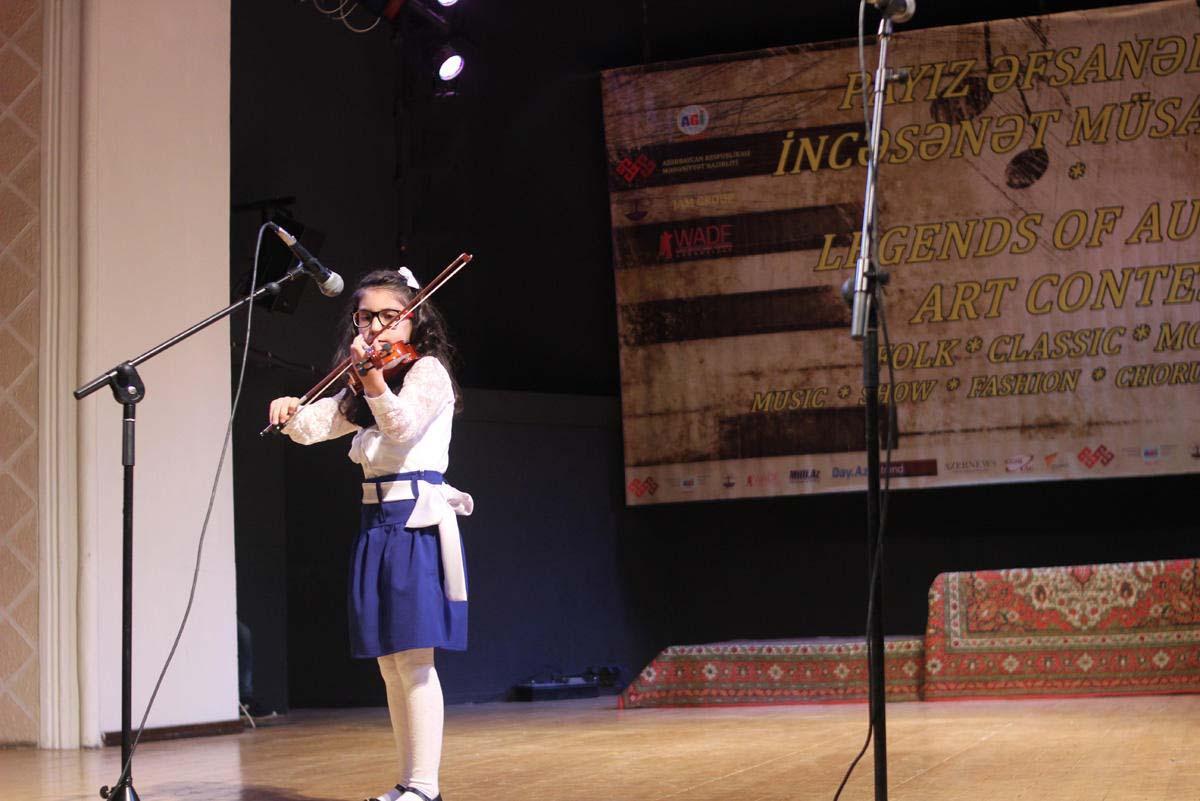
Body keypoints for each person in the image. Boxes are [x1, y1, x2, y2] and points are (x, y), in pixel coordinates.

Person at [268, 266, 472, 801]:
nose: (377, 326)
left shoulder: (426, 372)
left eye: (389, 316)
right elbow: (316, 427)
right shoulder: (363, 380)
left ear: (413, 319)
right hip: (376, 522)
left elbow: (401, 427)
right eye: (366, 316)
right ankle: (408, 783)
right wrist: (290, 412)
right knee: (390, 665)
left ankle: (425, 787)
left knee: (415, 660)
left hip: (416, 519)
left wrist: (374, 381)